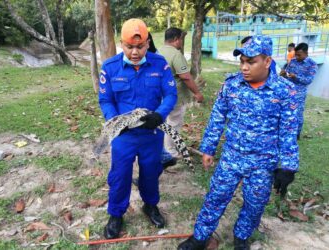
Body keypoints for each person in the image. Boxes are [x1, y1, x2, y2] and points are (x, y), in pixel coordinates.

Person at [178, 35, 299, 250]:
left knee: (255, 205)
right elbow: (217, 118)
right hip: (231, 158)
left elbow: (288, 132)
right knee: (215, 197)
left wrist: (288, 167)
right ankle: (200, 237)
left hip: (263, 164)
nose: (244, 67)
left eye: (251, 62)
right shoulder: (232, 85)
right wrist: (208, 148)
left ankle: (241, 237)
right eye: (242, 61)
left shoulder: (285, 92)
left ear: (267, 61)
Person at [98, 18, 177, 239]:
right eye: (129, 47)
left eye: (140, 46)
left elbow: (170, 94)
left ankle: (150, 205)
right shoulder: (110, 67)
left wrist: (159, 114)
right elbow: (105, 100)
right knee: (120, 174)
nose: (135, 52)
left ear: (148, 42)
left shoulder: (159, 64)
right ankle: (116, 214)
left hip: (151, 133)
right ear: (121, 44)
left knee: (150, 172)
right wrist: (116, 121)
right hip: (124, 135)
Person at [158, 27, 204, 163]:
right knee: (174, 123)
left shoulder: (157, 52)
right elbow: (185, 77)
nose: (181, 42)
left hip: (159, 94)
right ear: (177, 39)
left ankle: (161, 148)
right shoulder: (176, 54)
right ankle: (170, 151)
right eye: (181, 39)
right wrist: (197, 93)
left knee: (162, 122)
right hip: (174, 96)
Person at [280, 42, 318, 139]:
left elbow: (308, 80)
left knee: (297, 114)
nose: (296, 57)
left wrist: (296, 76)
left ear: (306, 53)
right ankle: (286, 132)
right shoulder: (293, 61)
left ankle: (297, 135)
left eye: (299, 55)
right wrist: (283, 74)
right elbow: (287, 73)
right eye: (296, 54)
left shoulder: (312, 65)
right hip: (287, 91)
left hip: (299, 94)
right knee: (285, 112)